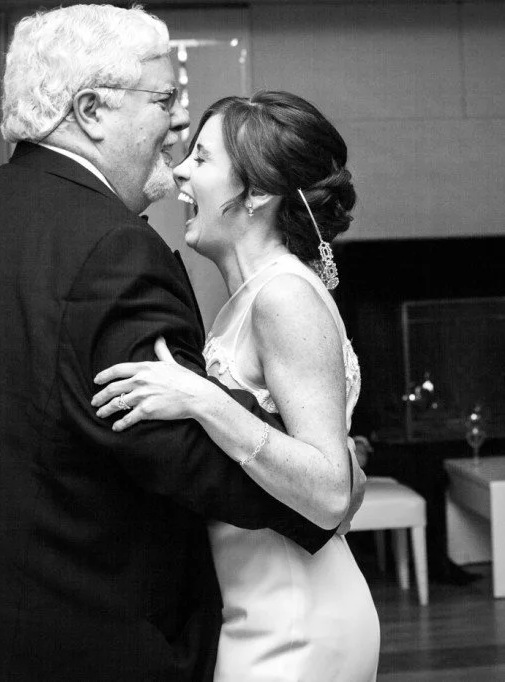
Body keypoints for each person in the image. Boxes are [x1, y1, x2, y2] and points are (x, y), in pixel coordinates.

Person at [0, 7, 357, 681]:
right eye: (164, 100)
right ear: (91, 109)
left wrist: (319, 472)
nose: (174, 125)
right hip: (56, 633)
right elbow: (161, 443)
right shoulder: (111, 245)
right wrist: (324, 496)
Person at [93, 91, 381, 681]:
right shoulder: (246, 301)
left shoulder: (283, 297)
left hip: (296, 619)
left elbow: (328, 493)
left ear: (256, 194)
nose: (179, 170)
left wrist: (201, 399)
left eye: (201, 159)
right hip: (257, 607)